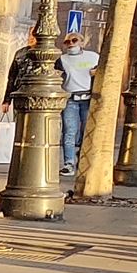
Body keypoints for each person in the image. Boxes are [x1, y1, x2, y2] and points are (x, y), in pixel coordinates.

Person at [58, 31, 97, 176]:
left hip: (87, 98)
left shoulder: (93, 57)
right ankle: (69, 163)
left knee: (86, 131)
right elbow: (58, 74)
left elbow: (102, 72)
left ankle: (82, 159)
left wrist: (96, 72)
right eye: (67, 42)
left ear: (82, 42)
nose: (71, 44)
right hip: (70, 98)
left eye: (74, 41)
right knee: (69, 131)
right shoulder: (62, 59)